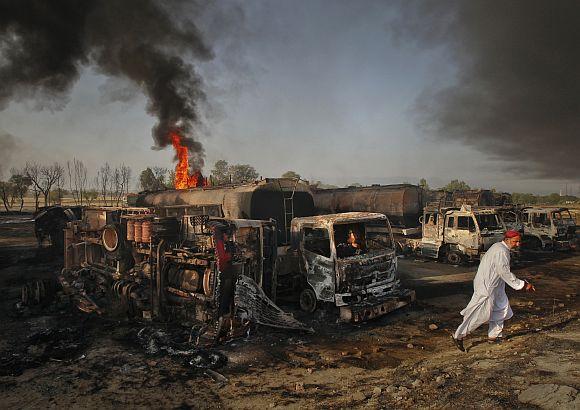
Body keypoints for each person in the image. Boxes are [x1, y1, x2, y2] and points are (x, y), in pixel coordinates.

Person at [451, 230, 535, 352]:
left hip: (496, 285)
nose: (517, 244)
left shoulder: (500, 247)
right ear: (507, 240)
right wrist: (522, 285)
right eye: (515, 242)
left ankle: (494, 336)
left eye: (518, 242)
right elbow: (504, 271)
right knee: (480, 314)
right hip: (487, 287)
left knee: (501, 308)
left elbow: (501, 272)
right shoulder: (501, 251)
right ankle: (458, 335)